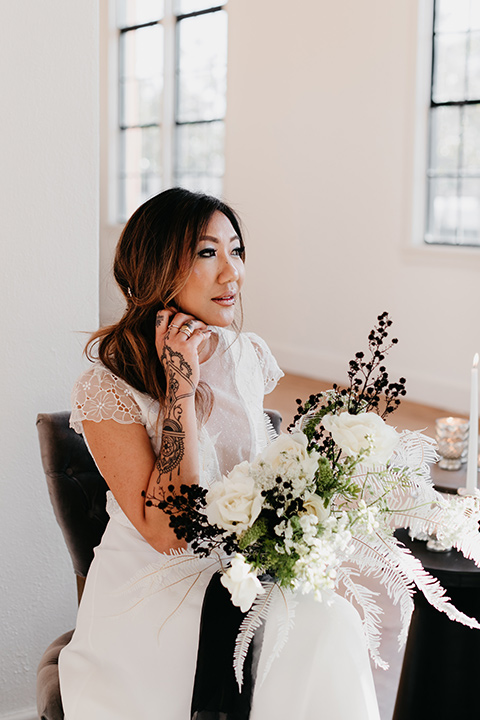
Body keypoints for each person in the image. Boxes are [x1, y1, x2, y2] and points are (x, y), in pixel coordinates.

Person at [59, 188, 381, 719]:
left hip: (243, 571)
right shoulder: (105, 387)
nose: (232, 273)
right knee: (302, 632)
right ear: (158, 266)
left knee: (332, 621)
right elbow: (167, 532)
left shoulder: (246, 354)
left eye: (236, 250)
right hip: (158, 591)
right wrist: (180, 385)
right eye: (208, 253)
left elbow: (259, 475)